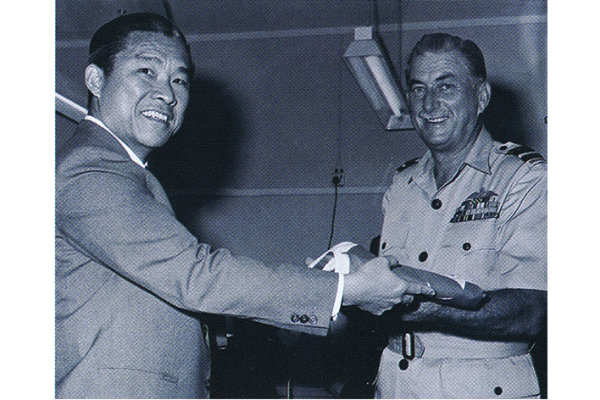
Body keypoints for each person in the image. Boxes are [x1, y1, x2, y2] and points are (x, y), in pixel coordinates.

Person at [54, 12, 434, 399]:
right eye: (146, 71)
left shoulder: (129, 175)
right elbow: (196, 277)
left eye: (179, 80)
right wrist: (345, 289)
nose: (167, 94)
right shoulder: (90, 171)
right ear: (95, 80)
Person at [374, 33, 548, 399]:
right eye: (418, 88)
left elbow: (532, 311)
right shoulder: (402, 184)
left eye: (446, 86)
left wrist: (420, 308)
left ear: (480, 97)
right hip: (396, 385)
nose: (429, 103)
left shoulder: (525, 179)